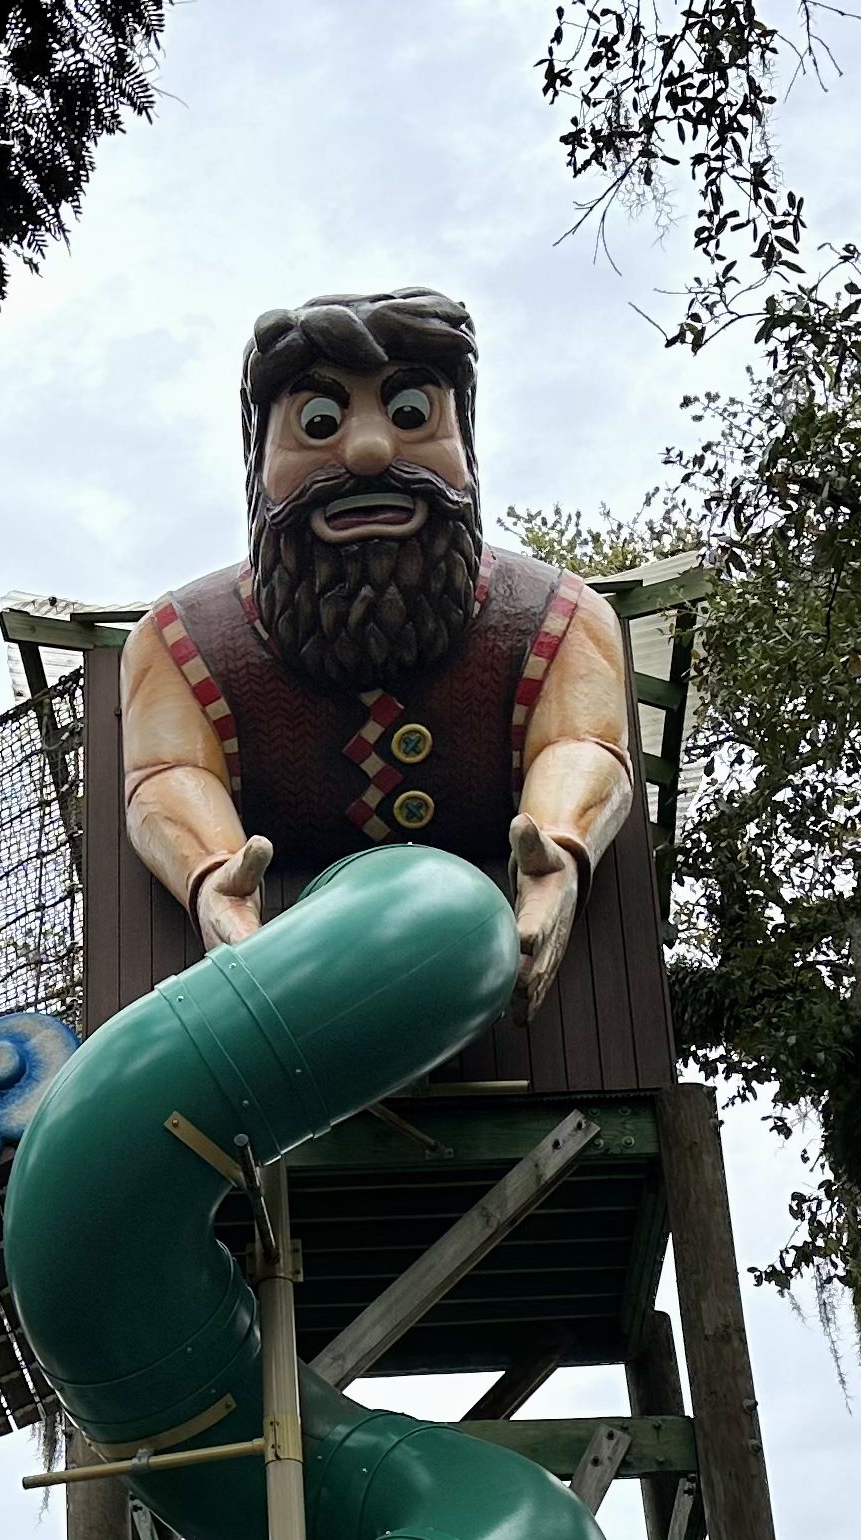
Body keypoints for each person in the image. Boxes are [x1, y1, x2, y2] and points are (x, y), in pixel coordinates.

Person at [119, 288, 634, 1017]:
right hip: (278, 1028)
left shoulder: (561, 621)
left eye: (412, 416)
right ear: (258, 459)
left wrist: (559, 852)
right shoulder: (179, 645)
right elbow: (168, 773)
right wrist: (208, 874)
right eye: (319, 423)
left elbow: (584, 742)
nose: (368, 451)